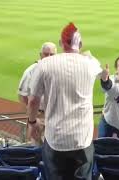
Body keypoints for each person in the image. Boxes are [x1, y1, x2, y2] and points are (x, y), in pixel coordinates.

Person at [27, 22, 102, 180]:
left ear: (61, 43)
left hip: (55, 139)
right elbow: (102, 71)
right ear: (80, 44)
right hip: (82, 140)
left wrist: (32, 123)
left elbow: (33, 100)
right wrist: (87, 54)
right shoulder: (92, 64)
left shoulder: (44, 64)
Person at [18, 42, 57, 146]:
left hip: (56, 116)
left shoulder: (60, 71)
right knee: (37, 147)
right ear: (40, 55)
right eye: (46, 54)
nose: (48, 57)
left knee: (55, 149)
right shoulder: (30, 71)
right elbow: (23, 95)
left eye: (52, 55)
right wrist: (33, 117)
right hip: (38, 116)